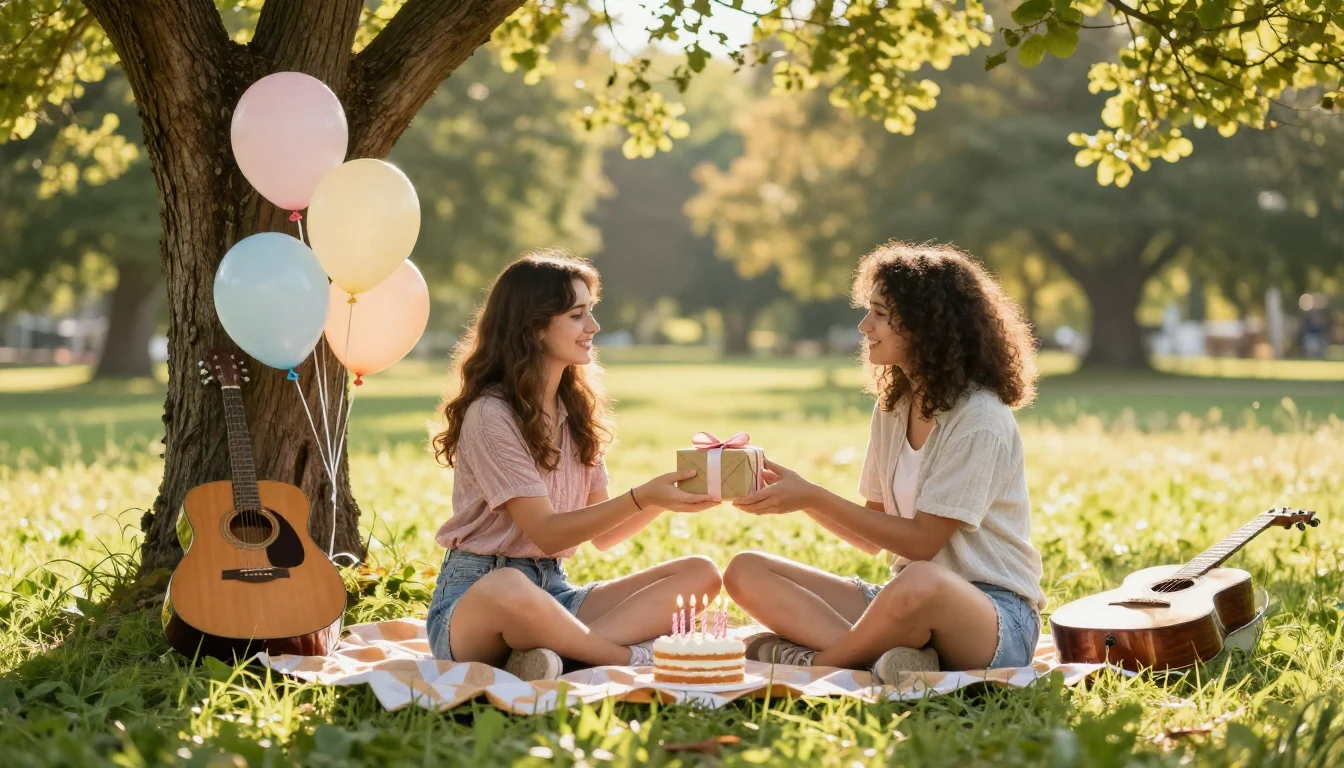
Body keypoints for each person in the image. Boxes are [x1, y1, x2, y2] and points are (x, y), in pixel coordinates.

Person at [722, 241, 1046, 683]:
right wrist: (803, 498)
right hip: (904, 601)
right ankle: (887, 659)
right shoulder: (895, 406)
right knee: (746, 570)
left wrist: (812, 495)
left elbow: (919, 544)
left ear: (925, 325)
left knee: (920, 581)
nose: (863, 326)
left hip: (993, 618)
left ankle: (821, 662)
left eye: (879, 313)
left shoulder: (979, 418)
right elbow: (874, 535)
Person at [427, 250, 720, 680]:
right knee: (510, 588)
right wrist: (644, 495)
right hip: (477, 598)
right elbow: (546, 532)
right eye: (578, 315)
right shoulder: (491, 415)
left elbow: (607, 536)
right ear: (534, 325)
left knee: (701, 574)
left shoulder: (575, 411)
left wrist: (664, 499)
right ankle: (623, 657)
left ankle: (552, 653)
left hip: (555, 591)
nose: (594, 328)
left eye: (591, 313)